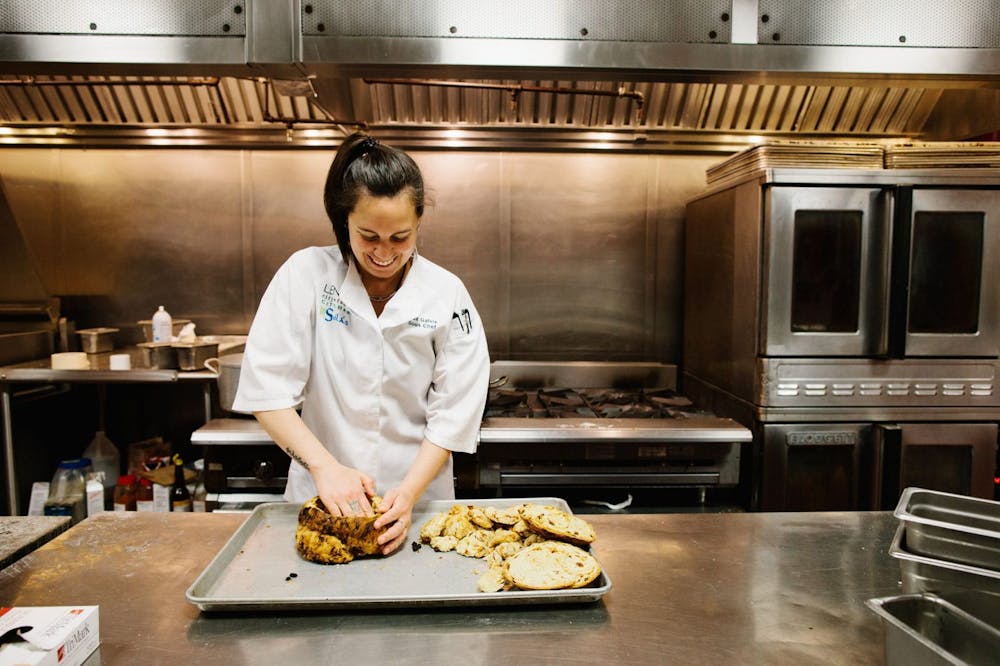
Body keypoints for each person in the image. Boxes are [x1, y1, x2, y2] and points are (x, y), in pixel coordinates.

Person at [232, 133, 490, 555]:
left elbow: (455, 413)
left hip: (421, 506)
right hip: (321, 501)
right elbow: (269, 392)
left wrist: (407, 496)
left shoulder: (446, 293)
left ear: (419, 221)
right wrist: (325, 467)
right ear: (342, 222)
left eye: (400, 237)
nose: (385, 253)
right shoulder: (305, 276)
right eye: (368, 235)